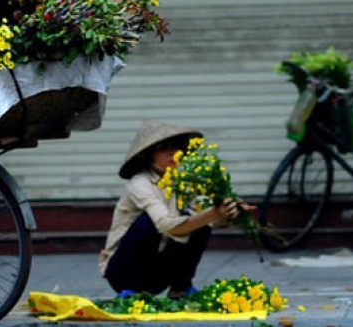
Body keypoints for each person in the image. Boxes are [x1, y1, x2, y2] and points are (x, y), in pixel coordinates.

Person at [98, 120, 252, 299]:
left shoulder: (184, 182)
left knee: (200, 223)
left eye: (176, 147)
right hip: (123, 272)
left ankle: (180, 287)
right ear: (149, 156)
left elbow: (210, 219)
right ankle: (132, 291)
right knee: (149, 222)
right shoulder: (140, 183)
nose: (172, 153)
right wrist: (212, 214)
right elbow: (166, 226)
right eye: (164, 148)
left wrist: (227, 212)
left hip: (158, 273)